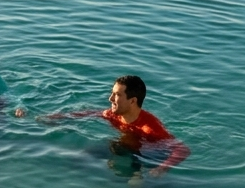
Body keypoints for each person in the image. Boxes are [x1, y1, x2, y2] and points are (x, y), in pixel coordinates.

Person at [45, 75, 189, 179]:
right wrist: (54, 118)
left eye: (117, 95)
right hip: (123, 147)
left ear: (132, 101)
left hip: (148, 155)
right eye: (112, 93)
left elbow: (182, 149)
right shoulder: (113, 115)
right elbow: (87, 114)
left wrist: (162, 168)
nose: (110, 99)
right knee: (77, 159)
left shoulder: (149, 128)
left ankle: (135, 175)